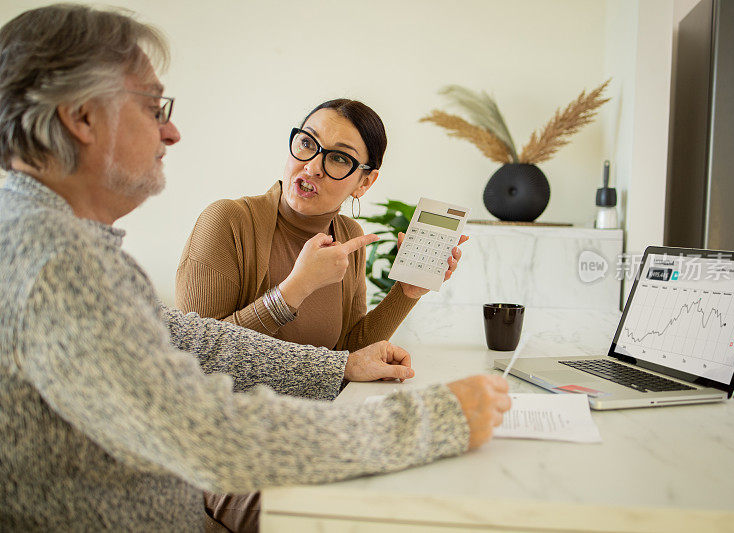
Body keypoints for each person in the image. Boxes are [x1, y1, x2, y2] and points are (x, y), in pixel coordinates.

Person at [0, 4, 511, 531]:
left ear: (364, 180)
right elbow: (205, 429)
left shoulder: (56, 242)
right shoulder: (60, 261)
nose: (172, 132)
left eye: (337, 158)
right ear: (81, 117)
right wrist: (434, 420)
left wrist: (345, 361)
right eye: (154, 108)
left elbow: (196, 340)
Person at [175, 98, 468, 351]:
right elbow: (198, 353)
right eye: (306, 143)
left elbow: (346, 354)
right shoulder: (226, 220)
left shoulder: (348, 236)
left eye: (339, 158)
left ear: (364, 182)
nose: (313, 167)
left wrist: (406, 292)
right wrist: (296, 288)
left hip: (318, 413)